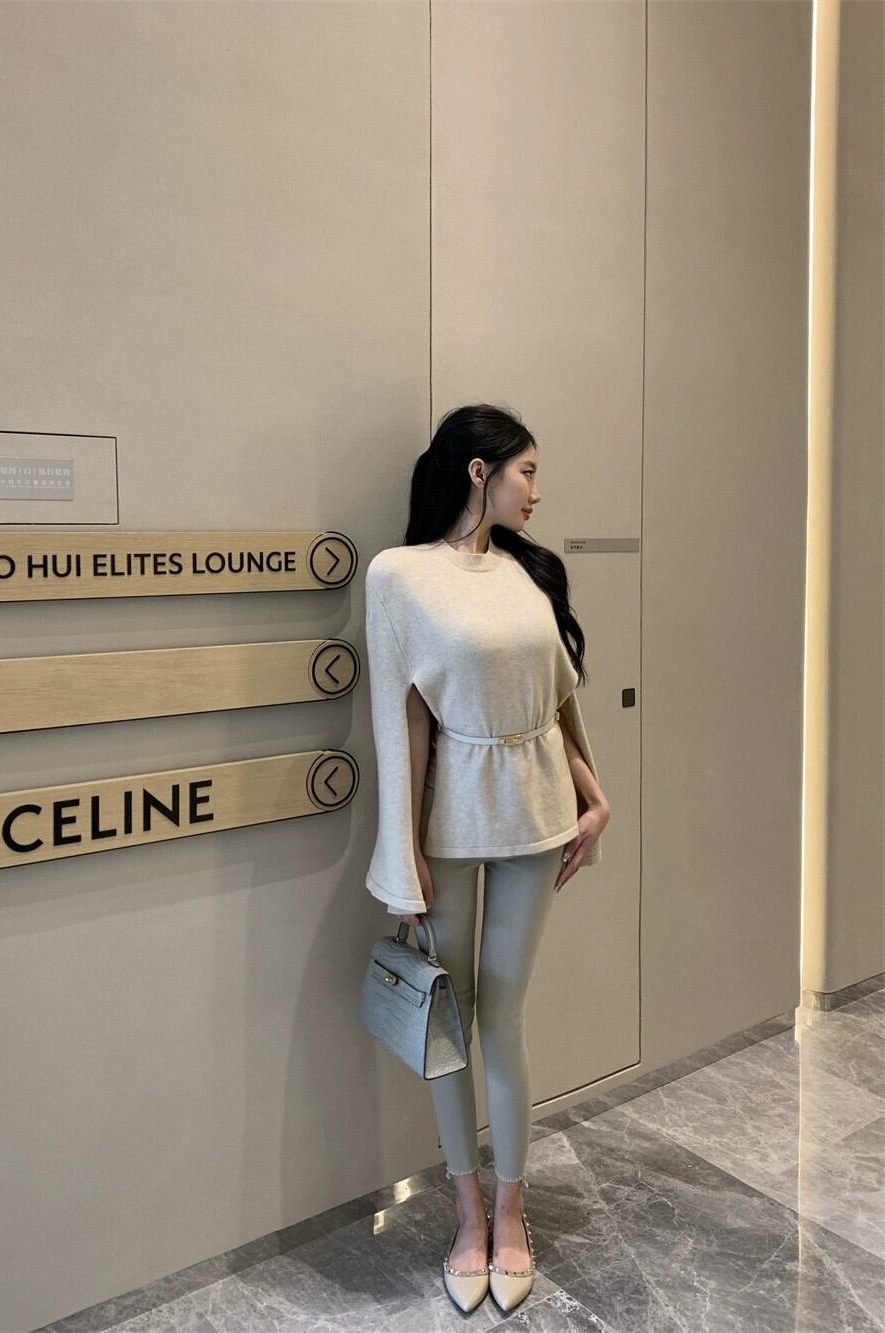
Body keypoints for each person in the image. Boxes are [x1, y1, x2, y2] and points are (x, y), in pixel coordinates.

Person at [363, 403, 611, 1314]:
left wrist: (596, 795)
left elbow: (558, 699)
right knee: (448, 1020)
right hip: (450, 823)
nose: (537, 490)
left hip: (536, 817)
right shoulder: (400, 575)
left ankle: (511, 1213)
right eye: (527, 471)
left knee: (502, 1013)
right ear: (479, 470)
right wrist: (401, 858)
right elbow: (401, 722)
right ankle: (466, 1215)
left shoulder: (530, 571)